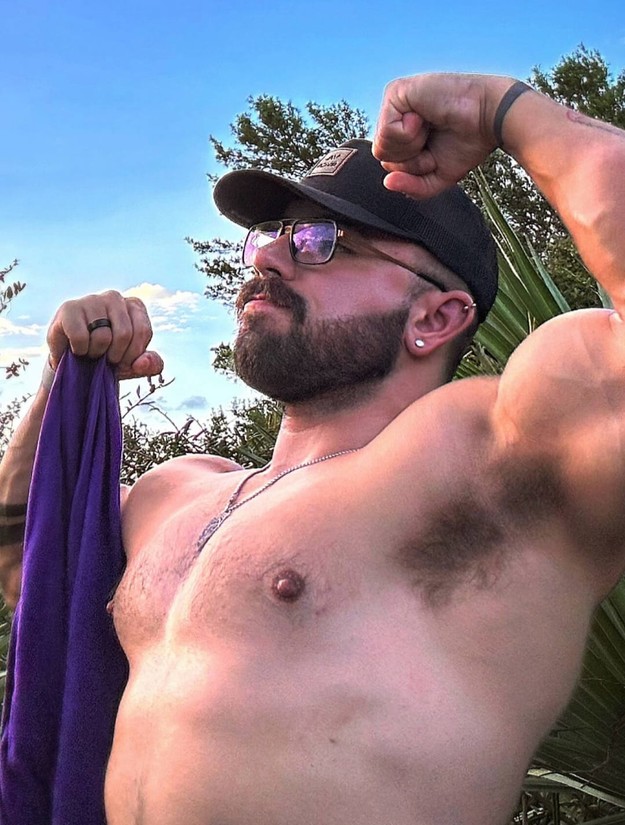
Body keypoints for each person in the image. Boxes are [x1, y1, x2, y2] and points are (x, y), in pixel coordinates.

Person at [1, 71, 625, 825]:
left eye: (324, 242)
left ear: (434, 316)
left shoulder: (489, 462)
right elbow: (28, 566)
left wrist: (506, 110)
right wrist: (61, 383)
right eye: (274, 235)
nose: (268, 259)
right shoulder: (178, 491)